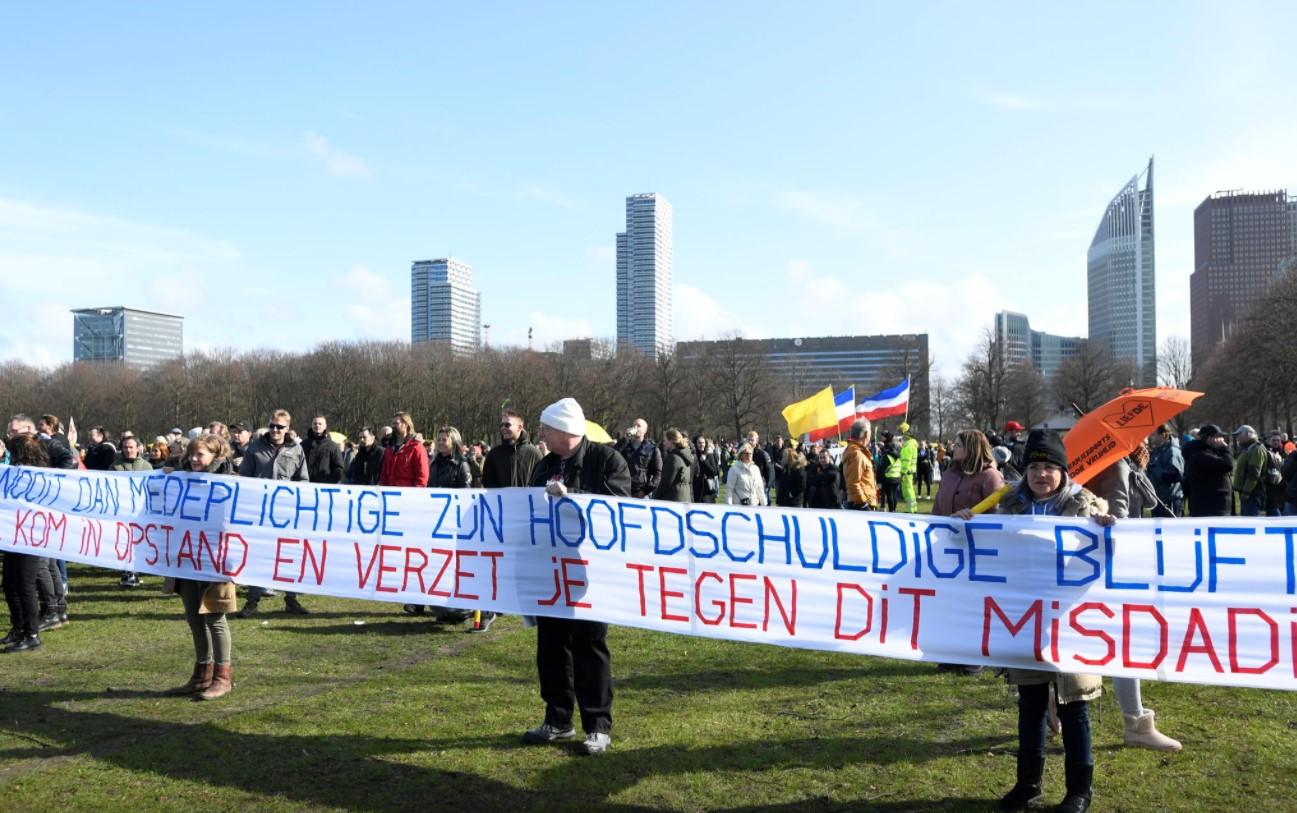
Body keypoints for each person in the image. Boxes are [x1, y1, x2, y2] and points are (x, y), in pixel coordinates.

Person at [996, 429, 1112, 813]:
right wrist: (966, 524)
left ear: (1063, 471)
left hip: (1071, 622)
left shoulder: (1085, 506)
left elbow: (1111, 541)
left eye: (1048, 467)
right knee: (1029, 705)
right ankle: (1027, 784)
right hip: (1026, 619)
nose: (1040, 474)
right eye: (1033, 467)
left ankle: (1079, 790)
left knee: (1073, 705)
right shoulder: (1010, 506)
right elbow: (986, 547)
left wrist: (1109, 527)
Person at [523, 397, 631, 756]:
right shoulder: (544, 466)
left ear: (565, 430)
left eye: (546, 428)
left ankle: (597, 725)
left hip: (589, 573)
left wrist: (574, 498)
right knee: (550, 647)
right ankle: (557, 719)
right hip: (550, 573)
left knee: (589, 646)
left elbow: (617, 508)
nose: (541, 433)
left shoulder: (606, 461)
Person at [1085, 445, 1183, 753]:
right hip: (1117, 567)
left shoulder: (1123, 465)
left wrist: (1138, 473)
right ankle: (1136, 722)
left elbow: (1152, 501)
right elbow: (1121, 516)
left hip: (1108, 567)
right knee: (1123, 643)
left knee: (1102, 640)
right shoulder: (1116, 466)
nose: (1149, 446)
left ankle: (1054, 702)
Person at [170, 434, 238, 699]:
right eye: (192, 454)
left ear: (215, 456)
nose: (194, 459)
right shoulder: (181, 480)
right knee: (193, 617)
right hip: (187, 557)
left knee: (214, 617)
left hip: (215, 559)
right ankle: (202, 674)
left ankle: (223, 677)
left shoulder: (230, 483)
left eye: (200, 455)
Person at [237, 409, 310, 617]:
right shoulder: (255, 447)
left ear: (288, 429)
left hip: (286, 513)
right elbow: (244, 477)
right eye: (272, 425)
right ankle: (252, 602)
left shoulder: (296, 449)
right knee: (258, 556)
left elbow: (303, 480)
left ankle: (291, 599)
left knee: (288, 556)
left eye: (280, 427)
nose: (275, 430)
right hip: (259, 512)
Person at [1, 434, 53, 652]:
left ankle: (32, 633)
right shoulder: (11, 473)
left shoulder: (39, 476)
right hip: (13, 535)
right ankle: (19, 626)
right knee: (10, 582)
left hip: (31, 537)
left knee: (25, 584)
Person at [113, 435, 153, 588]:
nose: (128, 450)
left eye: (131, 447)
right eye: (125, 447)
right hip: (123, 510)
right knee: (124, 542)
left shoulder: (147, 466)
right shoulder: (115, 466)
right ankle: (126, 571)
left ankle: (136, 571)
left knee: (138, 542)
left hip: (141, 511)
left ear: (138, 448)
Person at [1182, 424, 1234, 517]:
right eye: (1218, 437)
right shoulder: (1200, 454)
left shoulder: (1208, 452)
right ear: (1209, 439)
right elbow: (1227, 465)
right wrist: (1224, 449)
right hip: (1210, 507)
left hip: (1215, 505)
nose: (1222, 440)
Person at [482, 410, 541, 490]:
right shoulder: (494, 454)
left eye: (507, 425)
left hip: (527, 501)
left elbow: (541, 482)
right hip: (501, 501)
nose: (503, 428)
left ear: (519, 427)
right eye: (501, 425)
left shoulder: (534, 453)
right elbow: (487, 483)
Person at [379, 412, 429, 488]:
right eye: (392, 423)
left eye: (396, 423)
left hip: (408, 495)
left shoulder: (416, 447)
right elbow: (384, 474)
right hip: (390, 493)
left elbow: (422, 474)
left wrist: (418, 493)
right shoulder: (389, 448)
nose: (393, 426)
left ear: (406, 424)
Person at [615, 418, 662, 499]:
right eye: (633, 425)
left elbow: (658, 474)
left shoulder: (652, 449)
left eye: (639, 426)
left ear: (645, 430)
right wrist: (625, 438)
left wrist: (645, 491)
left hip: (640, 492)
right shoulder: (624, 445)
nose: (635, 428)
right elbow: (613, 455)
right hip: (622, 489)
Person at [1146, 424, 1185, 517]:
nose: (1150, 437)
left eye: (1153, 434)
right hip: (1159, 499)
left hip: (1170, 501)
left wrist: (1154, 469)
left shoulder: (1172, 451)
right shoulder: (1157, 451)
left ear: (1163, 435)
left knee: (1171, 531)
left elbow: (1175, 475)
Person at [842, 419, 878, 510]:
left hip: (861, 502)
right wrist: (863, 503)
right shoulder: (857, 454)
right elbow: (853, 483)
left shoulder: (856, 452)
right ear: (866, 434)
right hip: (860, 505)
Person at [653, 428, 694, 503]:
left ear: (671, 441)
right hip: (684, 497)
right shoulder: (685, 455)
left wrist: (656, 497)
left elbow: (666, 482)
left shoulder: (674, 458)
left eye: (665, 440)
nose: (663, 443)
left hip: (674, 498)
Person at [301, 415, 345, 484]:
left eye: (320, 424)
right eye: (315, 423)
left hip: (324, 487)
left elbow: (339, 468)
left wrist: (330, 483)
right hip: (305, 485)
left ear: (325, 426)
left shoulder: (333, 446)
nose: (317, 425)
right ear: (312, 425)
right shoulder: (303, 444)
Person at [690, 435, 720, 504]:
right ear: (695, 444)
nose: (702, 445)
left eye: (703, 443)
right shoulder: (693, 456)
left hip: (707, 489)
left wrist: (704, 461)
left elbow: (714, 473)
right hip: (696, 488)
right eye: (699, 443)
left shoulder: (709, 455)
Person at [897, 422, 919, 512]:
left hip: (906, 472)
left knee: (907, 491)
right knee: (911, 490)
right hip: (910, 471)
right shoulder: (912, 444)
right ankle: (913, 509)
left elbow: (906, 461)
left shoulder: (908, 445)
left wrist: (902, 473)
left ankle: (910, 510)